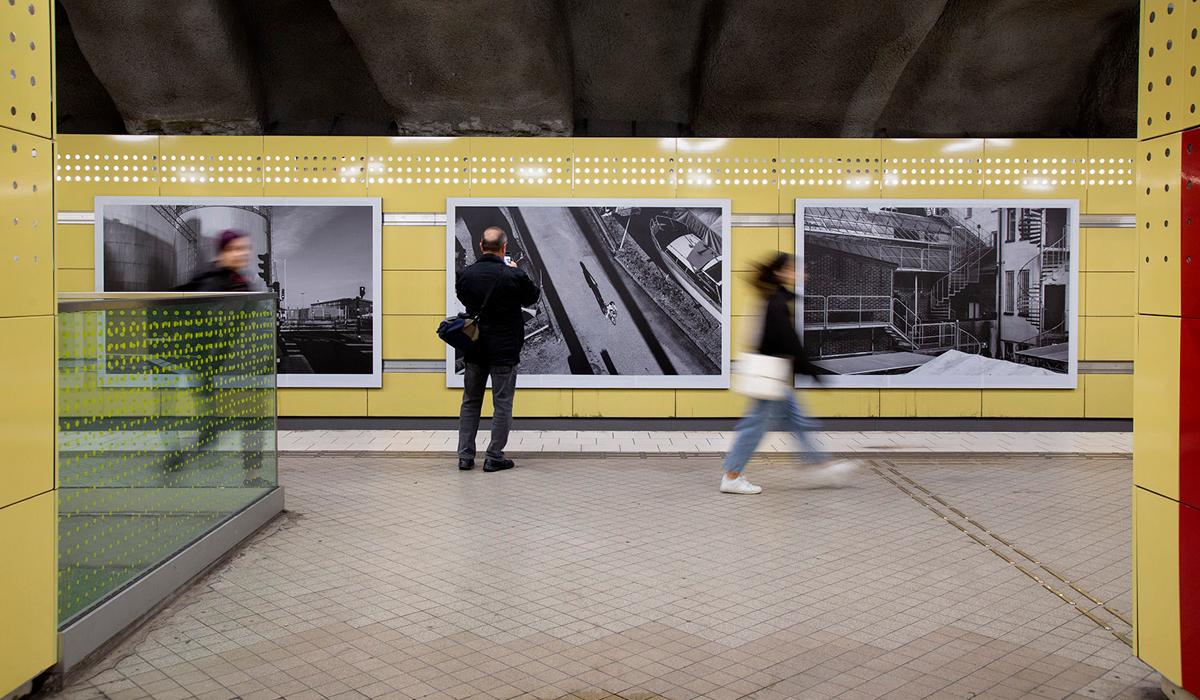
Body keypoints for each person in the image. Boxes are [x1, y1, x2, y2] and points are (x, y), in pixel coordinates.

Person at [720, 252, 859, 494]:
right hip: (769, 376)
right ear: (780, 272)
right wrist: (811, 370)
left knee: (799, 421)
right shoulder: (776, 302)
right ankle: (732, 476)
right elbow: (787, 341)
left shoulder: (777, 298)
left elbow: (784, 342)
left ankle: (822, 466)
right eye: (795, 268)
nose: (801, 272)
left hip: (774, 376)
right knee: (754, 426)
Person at [456, 226, 541, 472]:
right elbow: (532, 297)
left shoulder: (467, 275)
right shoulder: (513, 275)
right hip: (505, 348)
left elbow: (464, 298)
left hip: (476, 347)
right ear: (503, 248)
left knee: (470, 401)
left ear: (481, 247)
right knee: (502, 402)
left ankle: (465, 456)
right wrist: (517, 271)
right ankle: (494, 456)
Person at [178, 229, 258, 291]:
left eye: (248, 248)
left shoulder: (239, 279)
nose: (245, 253)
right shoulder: (209, 282)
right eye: (238, 248)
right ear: (223, 252)